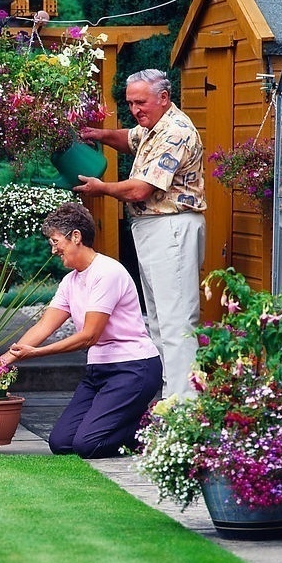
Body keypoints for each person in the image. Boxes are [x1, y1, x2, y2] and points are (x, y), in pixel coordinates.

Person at [76, 68, 205, 400]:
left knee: (176, 321)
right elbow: (129, 138)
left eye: (141, 102)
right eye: (131, 103)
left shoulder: (175, 132)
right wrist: (98, 135)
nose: (135, 110)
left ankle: (183, 405)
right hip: (154, 229)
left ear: (163, 98)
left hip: (172, 227)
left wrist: (102, 188)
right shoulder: (153, 127)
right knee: (159, 321)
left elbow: (141, 190)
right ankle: (167, 397)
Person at [0, 202, 162, 458]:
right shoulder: (70, 281)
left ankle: (151, 428)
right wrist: (5, 360)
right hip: (99, 371)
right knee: (61, 443)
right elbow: (44, 324)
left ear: (76, 236)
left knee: (88, 445)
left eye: (55, 241)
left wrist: (36, 354)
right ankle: (129, 419)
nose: (53, 250)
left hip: (133, 368)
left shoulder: (107, 272)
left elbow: (90, 335)